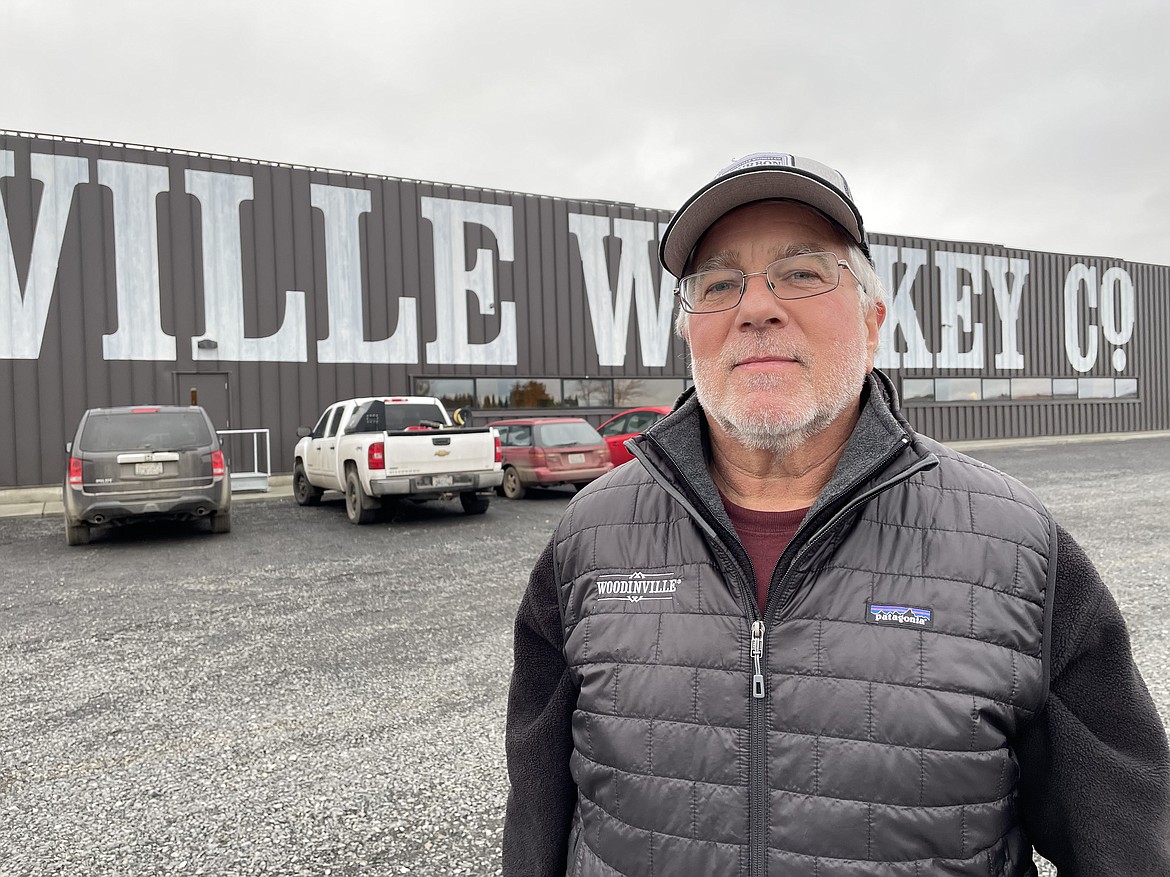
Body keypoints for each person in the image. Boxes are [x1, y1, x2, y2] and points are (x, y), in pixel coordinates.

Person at [501, 152, 1170, 876]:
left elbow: (1130, 843)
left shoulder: (1018, 553)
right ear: (688, 332)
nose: (756, 307)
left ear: (873, 319)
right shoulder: (587, 541)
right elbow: (537, 828)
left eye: (802, 272)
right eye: (719, 283)